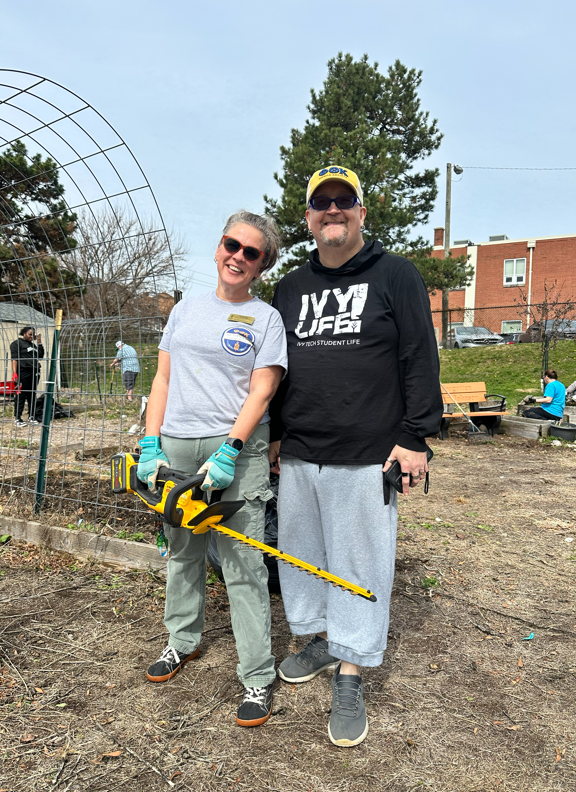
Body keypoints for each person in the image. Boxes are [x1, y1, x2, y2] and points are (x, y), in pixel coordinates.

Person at [268, 166, 443, 747]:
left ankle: (351, 668)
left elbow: (420, 357)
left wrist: (416, 437)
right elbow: (276, 370)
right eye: (322, 203)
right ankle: (320, 638)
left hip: (368, 453)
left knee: (360, 566)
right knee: (303, 558)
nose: (333, 211)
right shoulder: (290, 287)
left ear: (362, 212)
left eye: (345, 201)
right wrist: (273, 434)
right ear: (309, 218)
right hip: (298, 453)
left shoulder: (396, 275)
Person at [138, 211, 287, 727]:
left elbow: (262, 389)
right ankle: (183, 641)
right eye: (232, 245)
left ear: (262, 264)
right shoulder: (184, 311)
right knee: (183, 551)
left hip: (236, 452)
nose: (238, 257)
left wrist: (231, 449)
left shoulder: (267, 320)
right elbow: (162, 380)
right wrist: (150, 443)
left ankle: (257, 677)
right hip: (175, 445)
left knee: (242, 563)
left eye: (252, 253)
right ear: (219, 246)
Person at [10, 326, 44, 428]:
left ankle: (32, 417)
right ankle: (18, 418)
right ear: (24, 333)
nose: (31, 336)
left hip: (34, 372)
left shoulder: (32, 345)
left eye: (33, 335)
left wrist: (39, 343)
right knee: (21, 395)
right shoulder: (17, 344)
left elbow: (40, 356)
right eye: (30, 334)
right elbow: (14, 359)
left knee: (32, 394)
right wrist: (15, 373)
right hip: (23, 372)